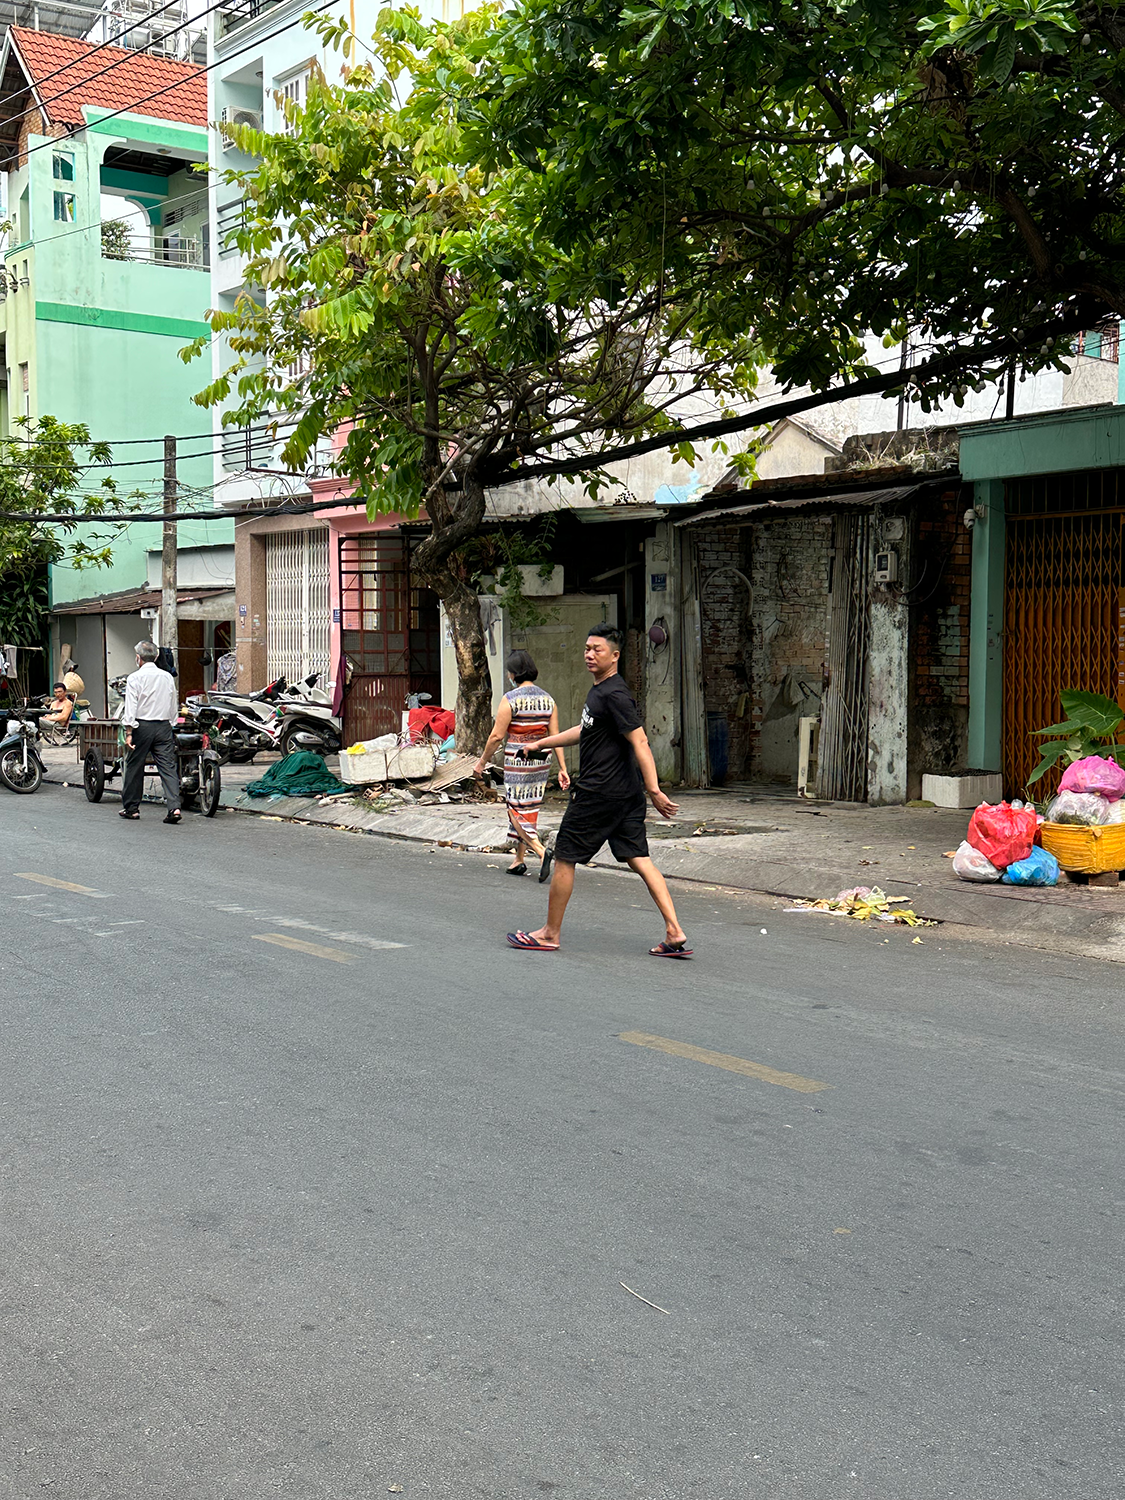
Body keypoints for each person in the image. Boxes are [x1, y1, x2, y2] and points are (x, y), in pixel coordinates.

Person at [506, 623, 692, 958]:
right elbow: (585, 729)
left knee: (565, 857)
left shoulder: (615, 695)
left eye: (598, 650)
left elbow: (641, 742)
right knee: (640, 858)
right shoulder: (601, 692)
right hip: (623, 794)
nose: (590, 655)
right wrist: (541, 743)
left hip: (598, 793)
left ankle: (549, 933)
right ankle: (674, 931)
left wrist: (655, 789)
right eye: (587, 649)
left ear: (615, 655)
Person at [473, 650, 569, 877]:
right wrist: (563, 769)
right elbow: (556, 737)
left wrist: (481, 763)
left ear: (513, 673)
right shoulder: (549, 700)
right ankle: (518, 859)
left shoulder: (510, 699)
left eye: (509, 671)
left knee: (515, 808)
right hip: (542, 760)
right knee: (529, 807)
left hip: (518, 760)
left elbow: (496, 736)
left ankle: (540, 850)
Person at [119, 641, 182, 825]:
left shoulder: (134, 678)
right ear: (155, 657)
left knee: (134, 766)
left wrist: (128, 731)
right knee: (168, 768)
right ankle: (174, 807)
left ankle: (132, 809)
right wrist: (170, 724)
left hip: (142, 727)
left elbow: (131, 707)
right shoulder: (167, 677)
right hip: (163, 726)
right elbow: (173, 704)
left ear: (138, 658)